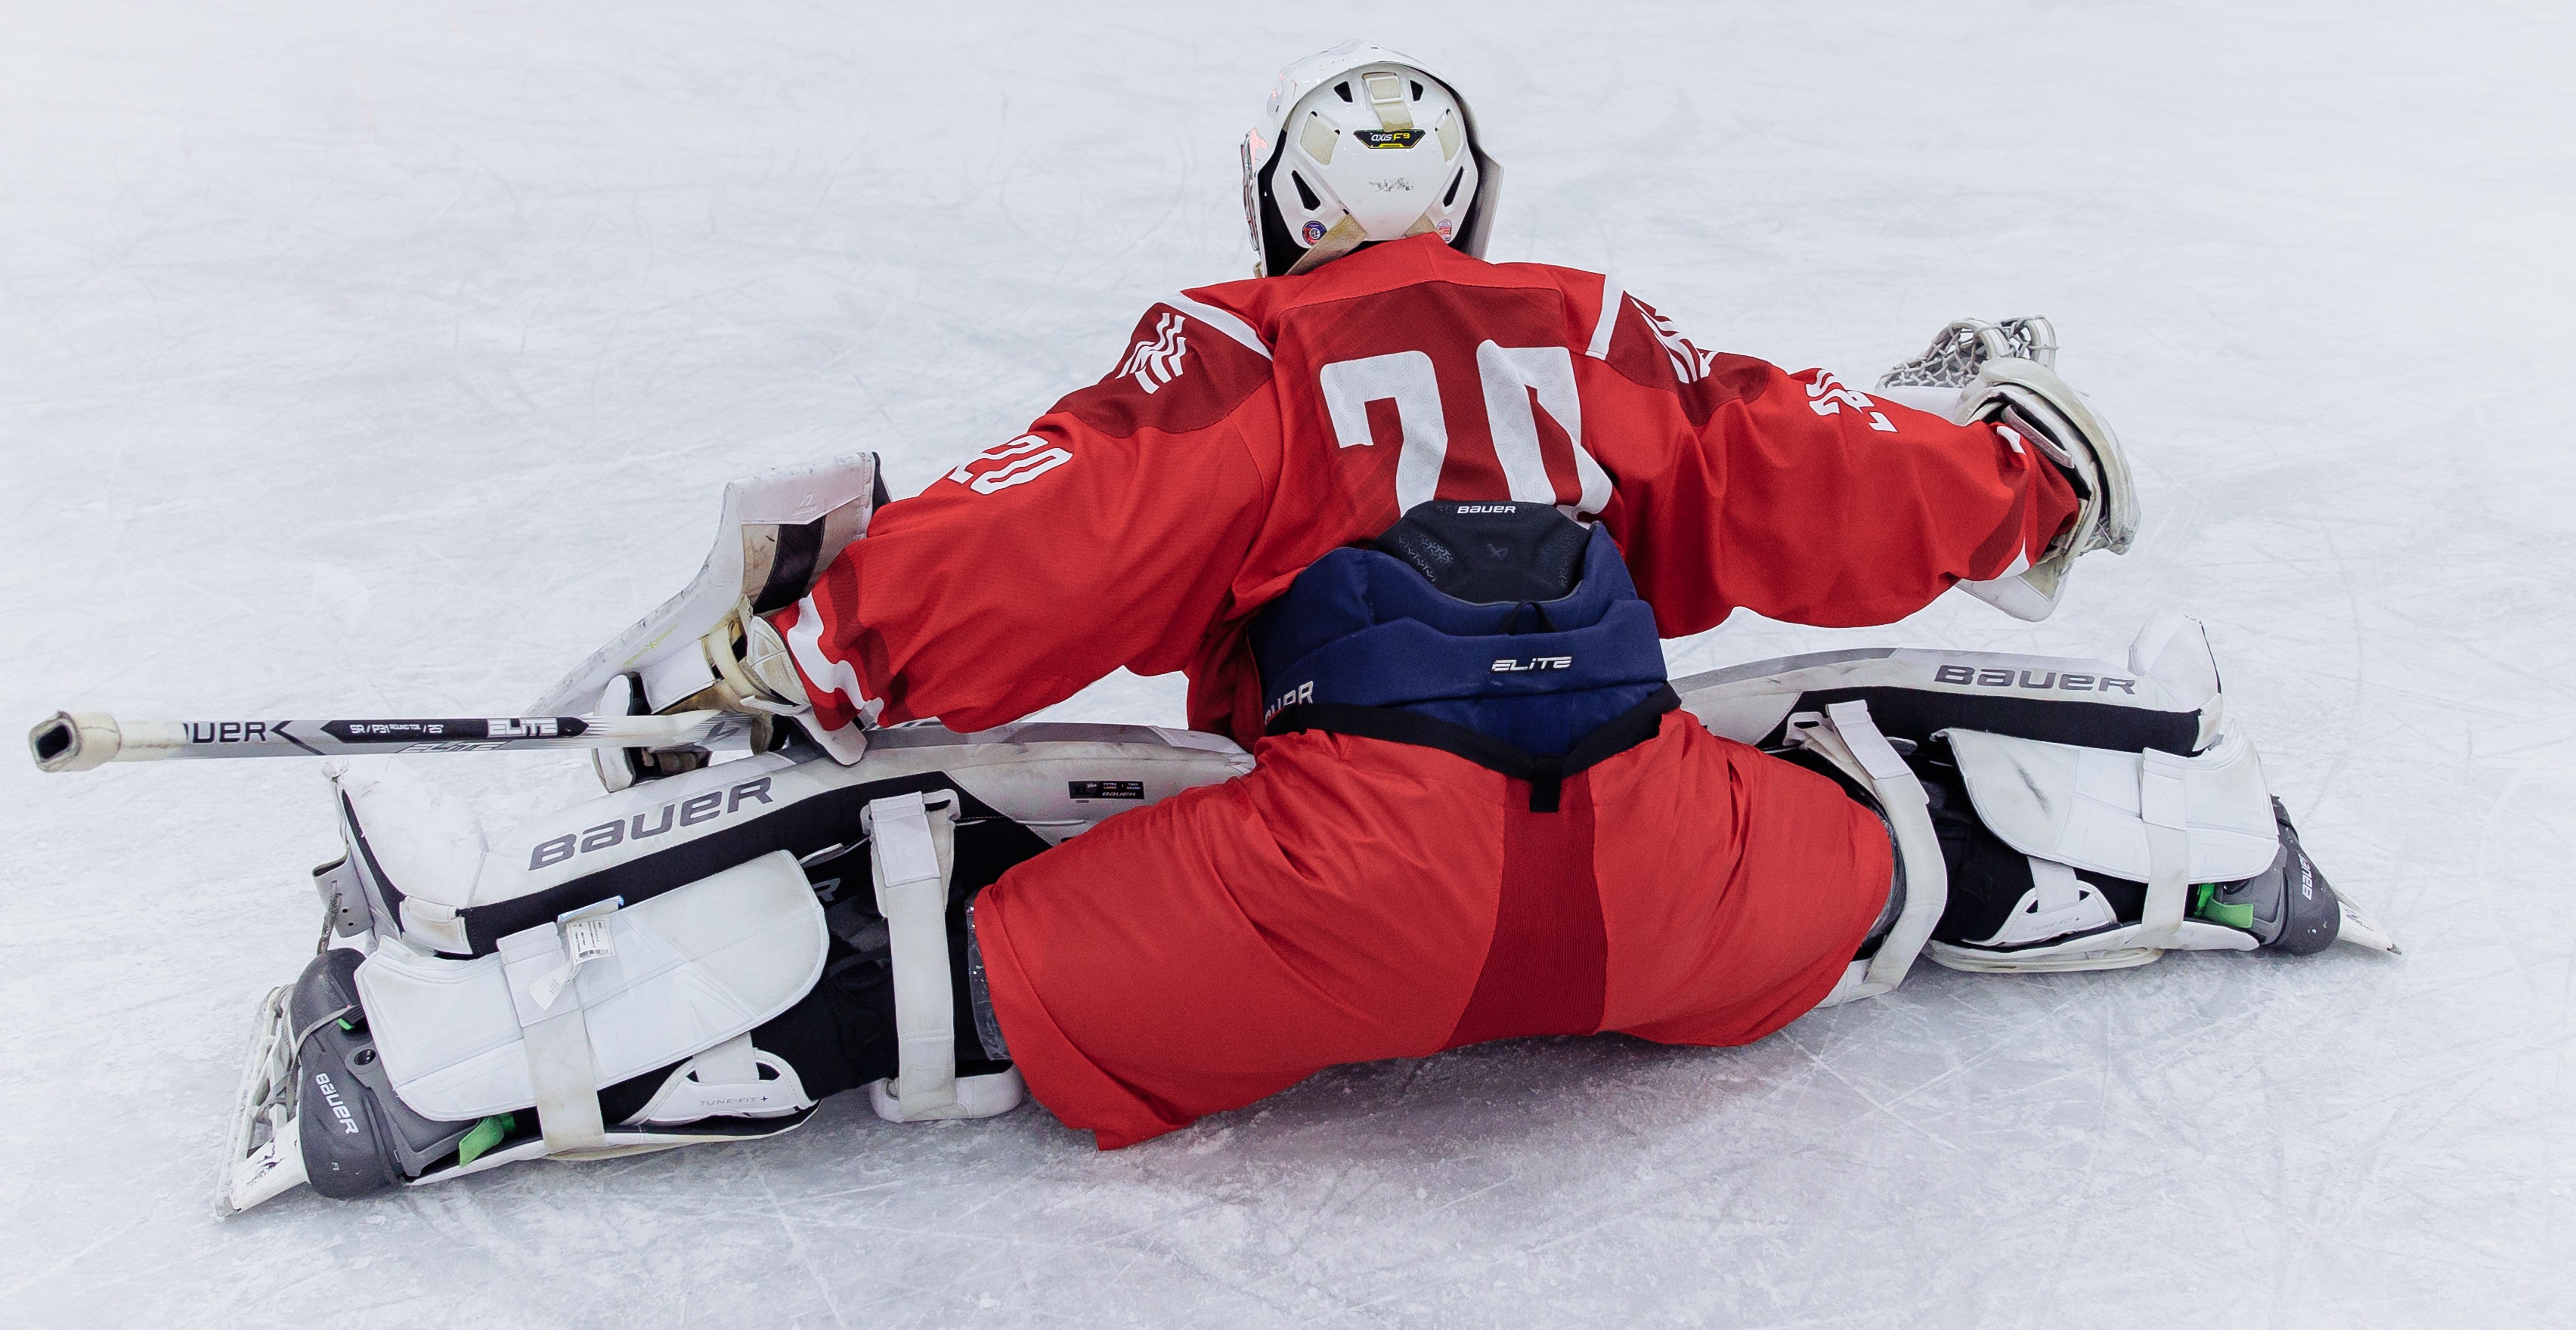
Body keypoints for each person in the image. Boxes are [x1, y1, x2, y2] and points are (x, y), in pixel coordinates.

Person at [234, 42, 2385, 1208]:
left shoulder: (1234, 354)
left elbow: (1046, 548)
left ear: (1277, 207)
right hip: (1684, 915)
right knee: (1841, 803)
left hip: (1338, 911)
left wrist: (817, 650)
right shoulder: (1601, 330)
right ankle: (2180, 852)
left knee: (963, 909)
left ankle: (438, 1067)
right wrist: (2017, 465)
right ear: (1478, 209)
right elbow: (1812, 472)